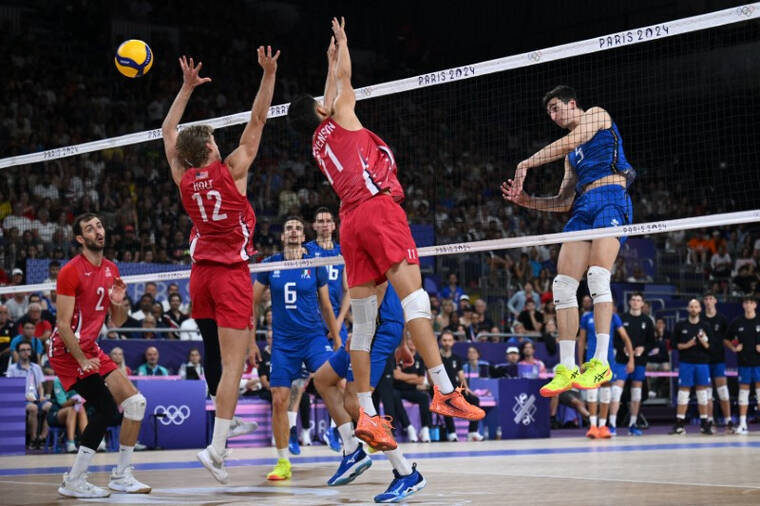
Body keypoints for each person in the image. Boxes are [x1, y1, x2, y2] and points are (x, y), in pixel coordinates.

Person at [287, 17, 483, 455]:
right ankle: (444, 388)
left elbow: (330, 90)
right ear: (321, 110)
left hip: (350, 223)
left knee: (363, 326)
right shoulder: (341, 117)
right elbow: (344, 83)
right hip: (377, 210)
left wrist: (330, 62)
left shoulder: (318, 142)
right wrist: (342, 45)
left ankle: (369, 412)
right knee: (416, 300)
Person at [161, 48, 278, 482]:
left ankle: (223, 438)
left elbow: (167, 129)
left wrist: (186, 88)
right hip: (229, 274)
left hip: (200, 276)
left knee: (220, 357)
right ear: (211, 145)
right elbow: (258, 120)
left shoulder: (184, 177)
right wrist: (269, 73)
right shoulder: (233, 169)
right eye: (213, 138)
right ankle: (215, 449)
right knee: (233, 366)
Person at [503, 85, 636, 396]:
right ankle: (566, 368)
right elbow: (563, 202)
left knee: (598, 277)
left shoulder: (596, 116)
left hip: (610, 198)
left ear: (572, 103)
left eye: (555, 108)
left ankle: (601, 362)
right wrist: (527, 201)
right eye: (548, 112)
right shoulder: (571, 159)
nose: (552, 115)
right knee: (562, 286)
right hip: (582, 208)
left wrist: (525, 163)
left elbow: (572, 140)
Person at [47, 213, 150, 497]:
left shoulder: (111, 268)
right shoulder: (70, 271)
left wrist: (118, 301)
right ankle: (74, 481)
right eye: (90, 229)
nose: (97, 231)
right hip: (67, 351)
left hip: (90, 348)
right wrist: (81, 360)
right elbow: (63, 325)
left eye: (99, 226)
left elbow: (116, 321)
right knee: (105, 408)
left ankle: (121, 475)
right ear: (80, 239)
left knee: (136, 403)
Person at [253, 216, 342, 481]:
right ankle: (283, 462)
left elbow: (326, 306)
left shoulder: (315, 264)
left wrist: (336, 339)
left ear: (304, 236)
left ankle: (349, 442)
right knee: (279, 398)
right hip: (283, 343)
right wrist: (249, 342)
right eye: (288, 228)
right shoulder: (270, 264)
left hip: (314, 337)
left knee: (335, 384)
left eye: (298, 228)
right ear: (283, 237)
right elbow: (252, 303)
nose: (293, 231)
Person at [578, 309, 633, 439]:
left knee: (606, 391)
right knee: (592, 392)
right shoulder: (587, 317)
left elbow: (625, 337)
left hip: (607, 359)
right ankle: (592, 426)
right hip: (591, 359)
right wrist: (580, 362)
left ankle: (602, 426)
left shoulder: (613, 317)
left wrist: (631, 358)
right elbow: (581, 341)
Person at [304, 206, 350, 355]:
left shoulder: (342, 252)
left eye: (328, 221)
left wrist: (339, 321)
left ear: (334, 226)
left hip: (336, 317)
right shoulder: (306, 250)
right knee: (317, 367)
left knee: (340, 365)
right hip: (311, 319)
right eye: (320, 221)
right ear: (314, 226)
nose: (324, 224)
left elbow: (348, 290)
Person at [670, 299, 713, 435]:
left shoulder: (706, 325)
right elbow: (673, 345)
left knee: (702, 394)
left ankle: (704, 424)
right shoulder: (680, 325)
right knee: (683, 394)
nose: (694, 309)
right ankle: (679, 424)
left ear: (700, 309)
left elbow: (711, 347)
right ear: (688, 309)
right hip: (686, 363)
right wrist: (687, 345)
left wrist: (704, 340)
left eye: (696, 307)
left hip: (702, 363)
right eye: (691, 307)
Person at [618, 292, 655, 435]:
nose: (635, 302)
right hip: (622, 360)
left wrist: (643, 348)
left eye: (638, 300)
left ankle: (633, 423)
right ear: (629, 302)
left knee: (636, 392)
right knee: (617, 390)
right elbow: (615, 339)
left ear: (642, 303)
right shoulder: (622, 318)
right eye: (633, 299)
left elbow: (652, 342)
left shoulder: (647, 320)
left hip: (639, 361)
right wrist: (622, 348)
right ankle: (611, 423)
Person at [438, 330, 484, 442]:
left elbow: (461, 375)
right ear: (440, 341)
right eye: (444, 340)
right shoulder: (436, 357)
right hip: (440, 390)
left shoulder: (456, 358)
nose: (447, 343)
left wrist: (466, 388)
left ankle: (472, 432)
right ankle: (452, 433)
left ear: (453, 342)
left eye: (449, 340)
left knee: (474, 400)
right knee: (446, 402)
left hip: (455, 389)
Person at [726, 296, 760, 435]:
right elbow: (727, 339)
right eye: (746, 302)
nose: (748, 305)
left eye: (751, 302)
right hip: (744, 362)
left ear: (755, 305)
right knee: (743, 394)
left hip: (759, 363)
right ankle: (743, 424)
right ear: (743, 305)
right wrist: (734, 348)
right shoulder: (737, 322)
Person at [7, 339, 50, 449]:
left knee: (49, 406)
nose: (26, 352)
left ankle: (42, 437)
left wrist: (41, 396)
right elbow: (11, 388)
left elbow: (40, 385)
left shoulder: (36, 367)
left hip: (36, 398)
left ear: (31, 352)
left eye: (28, 349)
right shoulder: (12, 369)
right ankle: (33, 439)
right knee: (33, 408)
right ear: (18, 352)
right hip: (21, 399)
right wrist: (25, 397)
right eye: (23, 350)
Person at [701, 292, 733, 433]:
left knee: (723, 392)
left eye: (711, 298)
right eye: (706, 299)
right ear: (704, 302)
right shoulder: (700, 319)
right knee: (707, 394)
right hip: (704, 360)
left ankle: (729, 422)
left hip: (718, 360)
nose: (708, 301)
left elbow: (728, 338)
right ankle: (710, 422)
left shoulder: (722, 319)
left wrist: (734, 347)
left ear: (715, 301)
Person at [48, 376, 88, 453]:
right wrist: (73, 400)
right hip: (57, 412)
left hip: (77, 413)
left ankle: (87, 443)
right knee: (72, 410)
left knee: (81, 408)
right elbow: (62, 404)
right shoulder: (58, 380)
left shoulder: (79, 378)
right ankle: (71, 443)